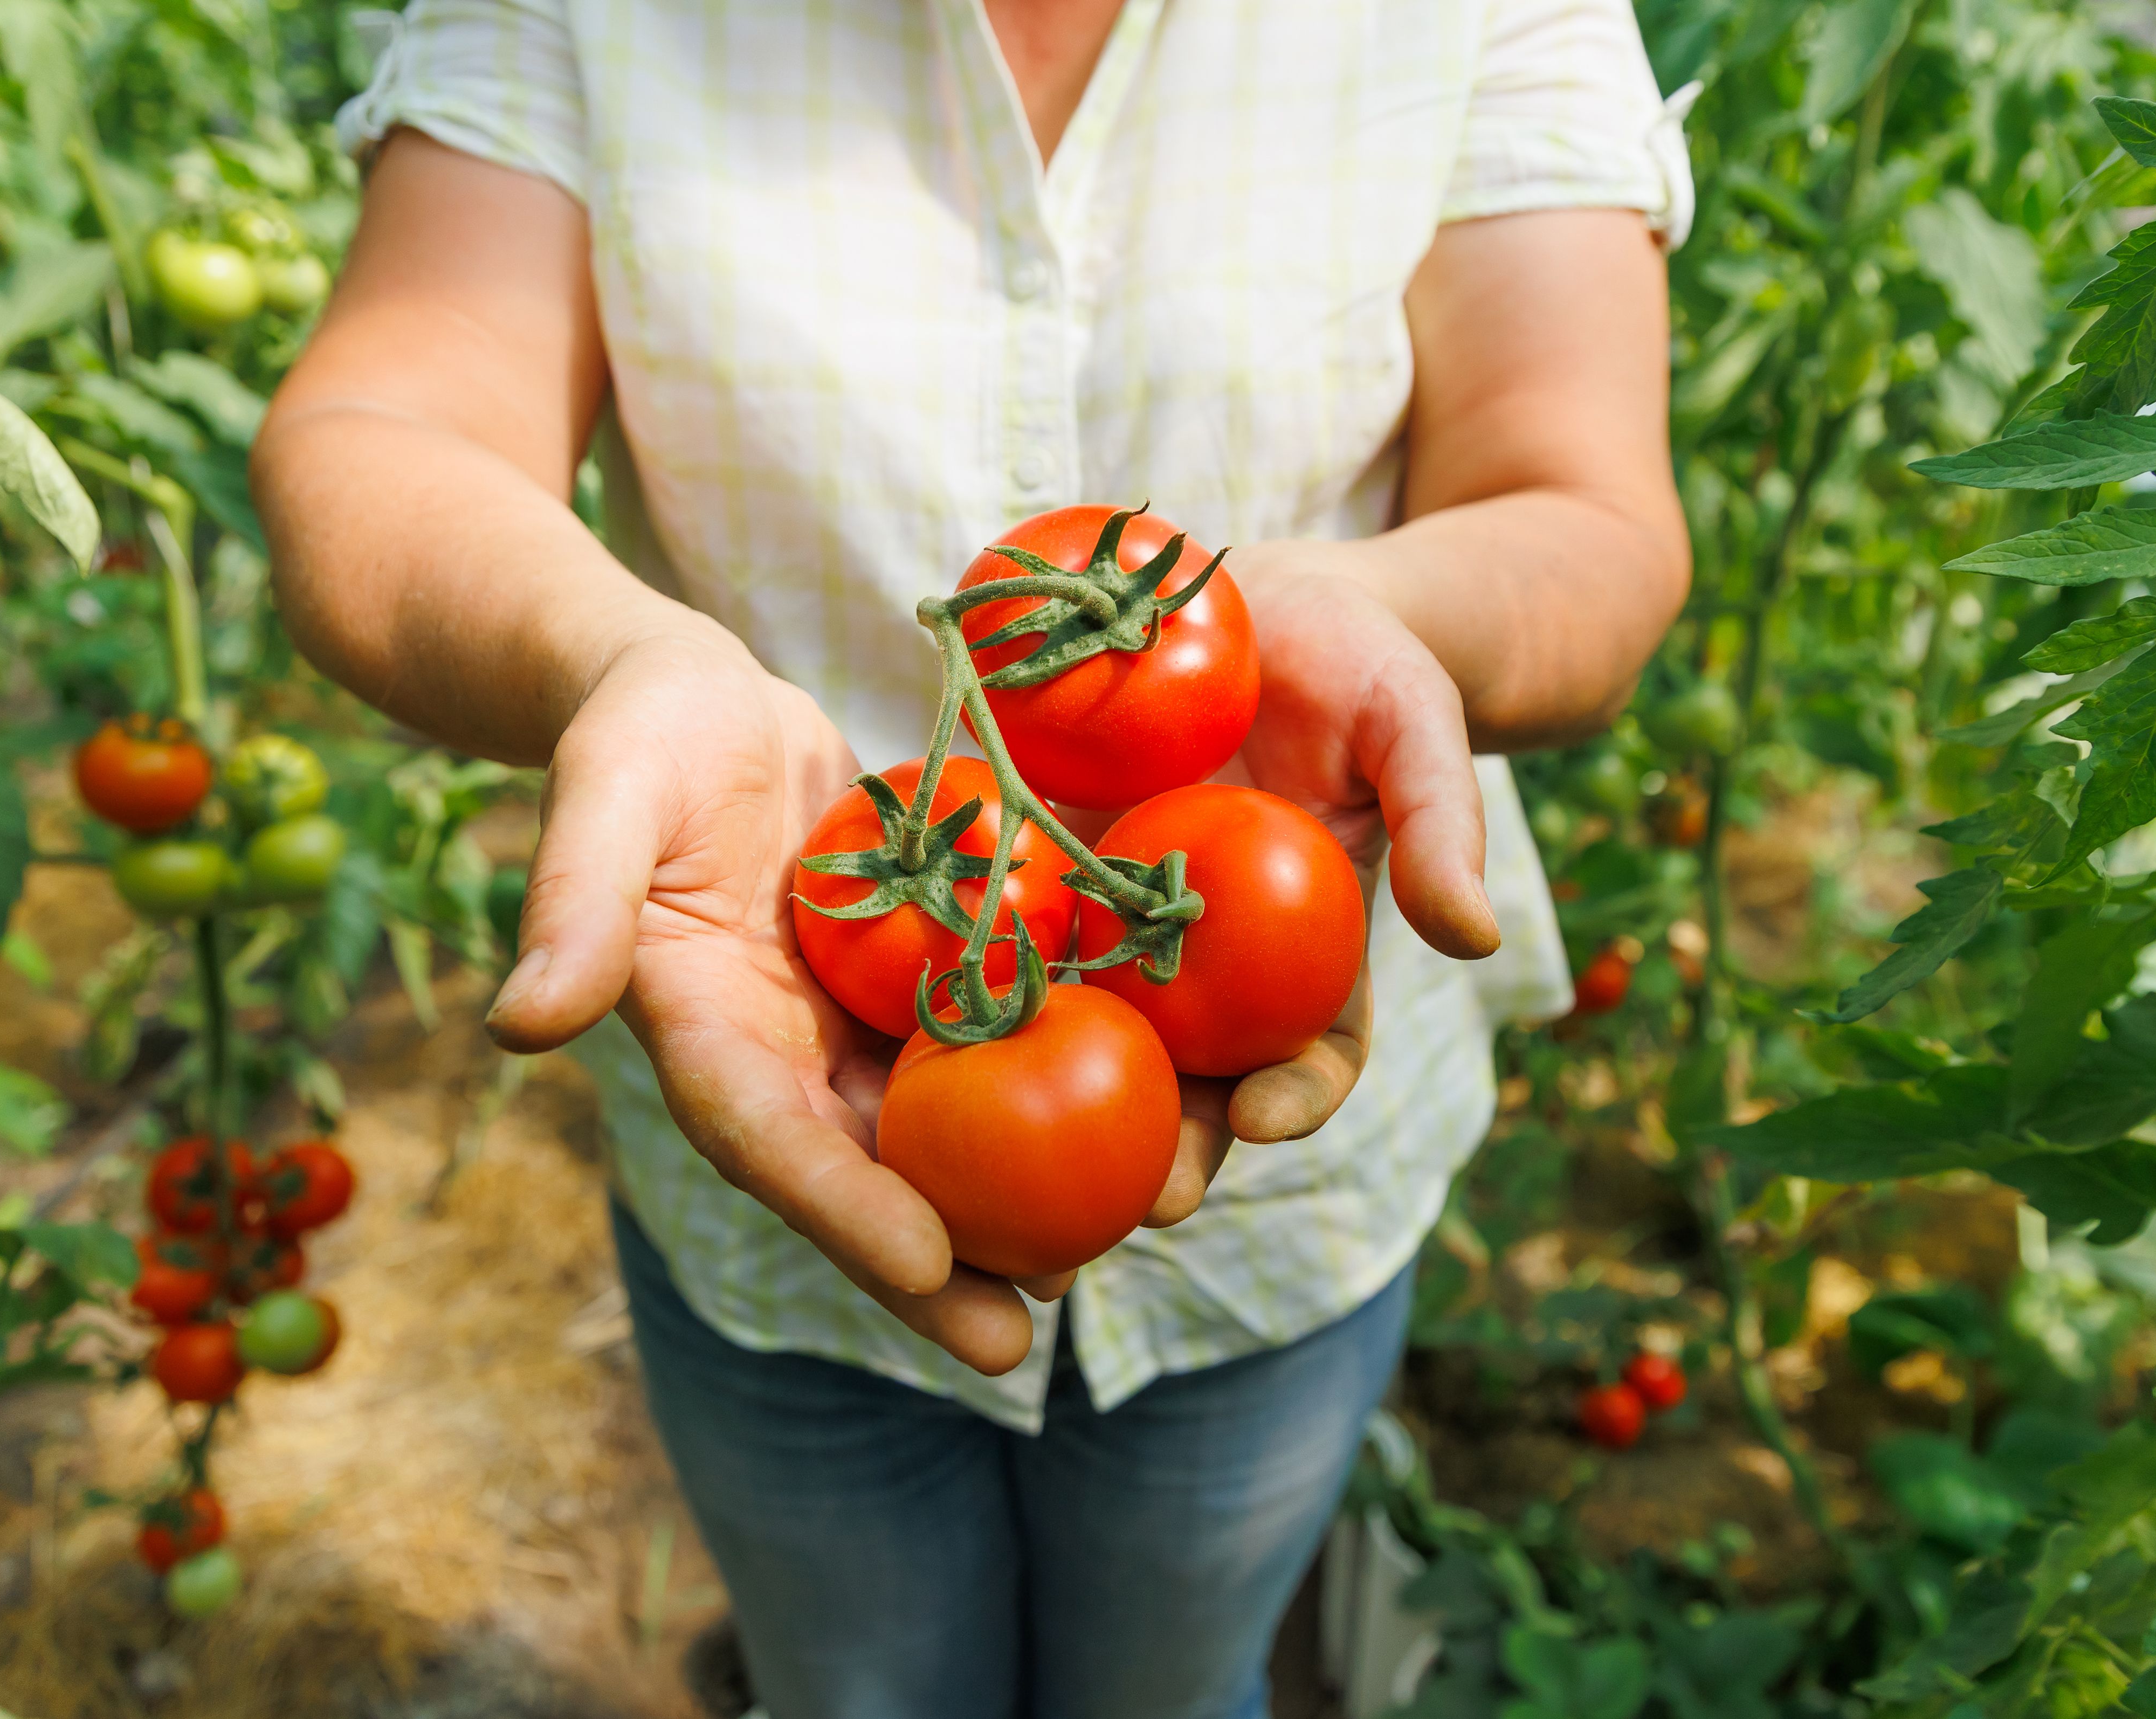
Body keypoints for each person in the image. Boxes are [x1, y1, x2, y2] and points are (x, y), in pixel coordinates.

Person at [254, 2, 1690, 1713]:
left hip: (1285, 1208)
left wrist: (1361, 623)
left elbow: (1588, 508)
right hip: (774, 1114)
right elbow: (385, 433)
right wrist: (618, 662)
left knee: (1178, 1683)